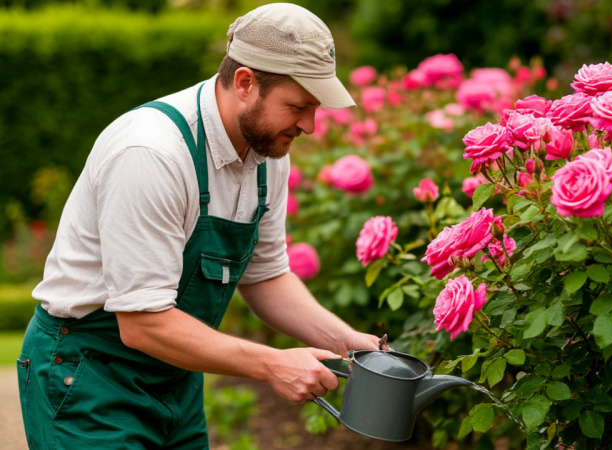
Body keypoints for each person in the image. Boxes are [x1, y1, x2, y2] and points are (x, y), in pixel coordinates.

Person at [16, 3, 381, 448]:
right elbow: (142, 322)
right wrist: (271, 364)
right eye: (298, 106)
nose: (308, 124)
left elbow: (265, 276)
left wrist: (349, 344)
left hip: (175, 376)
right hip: (87, 375)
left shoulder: (266, 153)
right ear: (245, 82)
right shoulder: (151, 153)